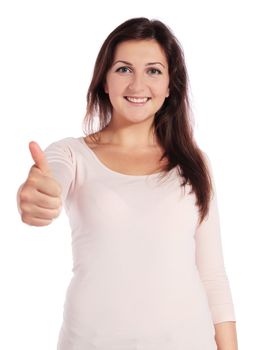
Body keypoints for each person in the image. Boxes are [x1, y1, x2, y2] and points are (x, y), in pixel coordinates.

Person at [16, 17, 238, 350]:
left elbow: (212, 276)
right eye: (123, 69)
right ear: (104, 81)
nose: (137, 85)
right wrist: (37, 194)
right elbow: (49, 180)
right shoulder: (71, 154)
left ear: (169, 85)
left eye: (153, 71)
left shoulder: (194, 163)